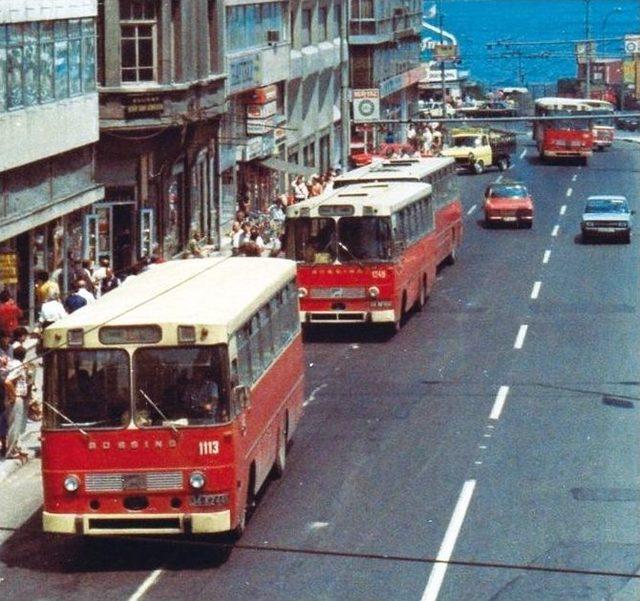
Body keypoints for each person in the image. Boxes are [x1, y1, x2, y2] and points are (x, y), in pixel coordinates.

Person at [4, 345, 29, 459]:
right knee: (14, 425)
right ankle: (10, 452)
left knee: (15, 425)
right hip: (16, 398)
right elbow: (8, 381)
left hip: (13, 398)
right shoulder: (18, 365)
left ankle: (15, 448)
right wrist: (13, 395)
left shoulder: (12, 363)